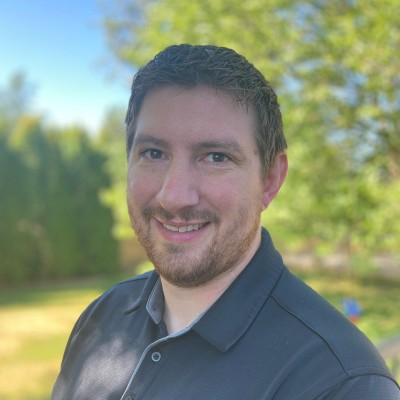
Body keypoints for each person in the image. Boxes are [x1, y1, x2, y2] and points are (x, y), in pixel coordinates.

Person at [52, 44, 400, 400]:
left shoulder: (342, 384)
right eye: (153, 153)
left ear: (269, 180)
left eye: (216, 157)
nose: (174, 196)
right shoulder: (101, 319)